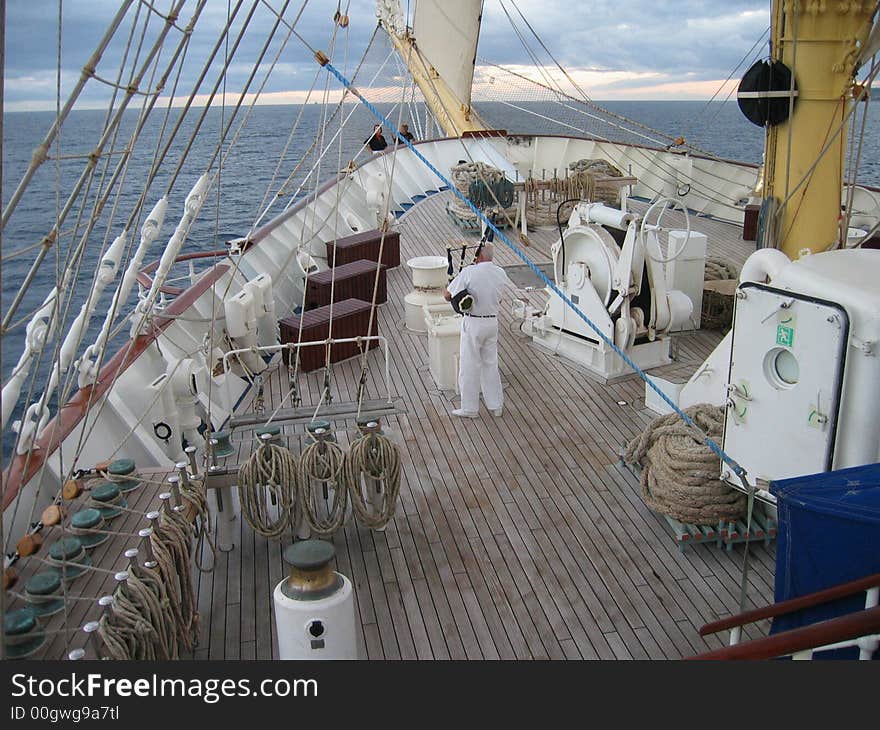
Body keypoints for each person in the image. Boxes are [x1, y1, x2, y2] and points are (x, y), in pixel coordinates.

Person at [444, 242, 510, 418]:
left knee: (469, 366)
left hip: (473, 323)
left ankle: (470, 409)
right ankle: (496, 406)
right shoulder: (500, 273)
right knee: (490, 364)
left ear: (478, 256)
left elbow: (447, 295)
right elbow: (500, 298)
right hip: (492, 322)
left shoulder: (469, 272)